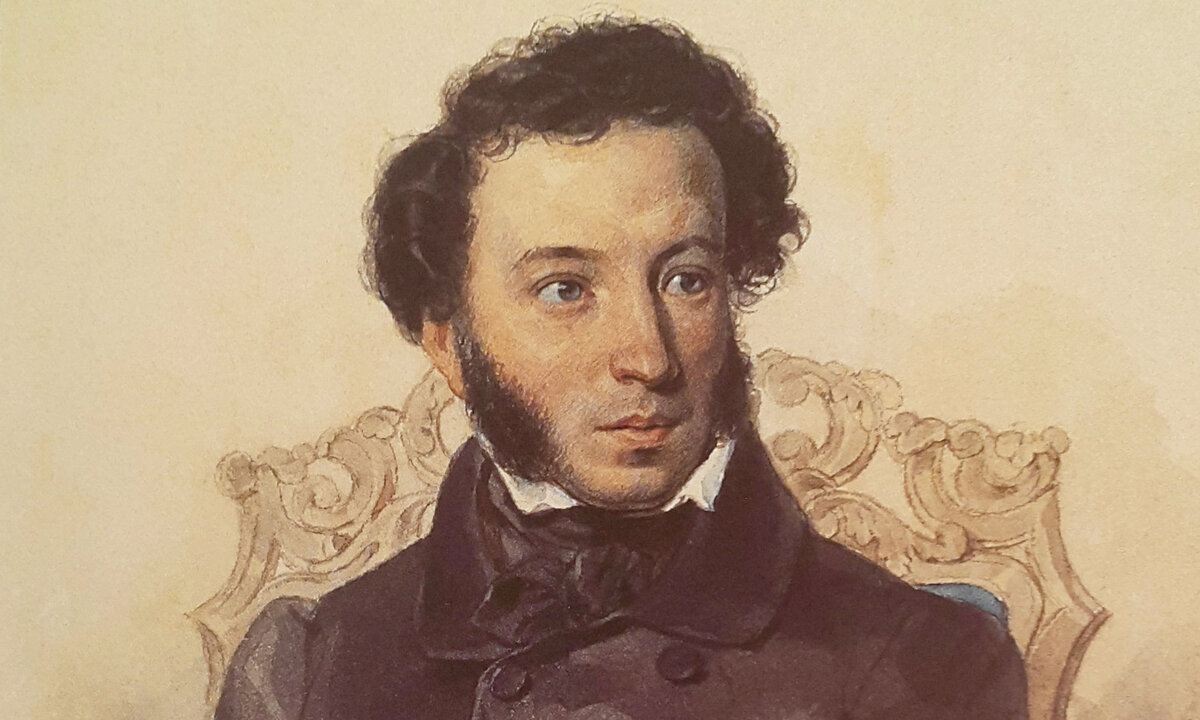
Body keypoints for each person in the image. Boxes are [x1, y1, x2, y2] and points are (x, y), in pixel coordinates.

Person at [215, 17, 1028, 720]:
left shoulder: (926, 662)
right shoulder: (309, 667)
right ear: (448, 343)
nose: (647, 356)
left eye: (685, 279)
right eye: (565, 290)